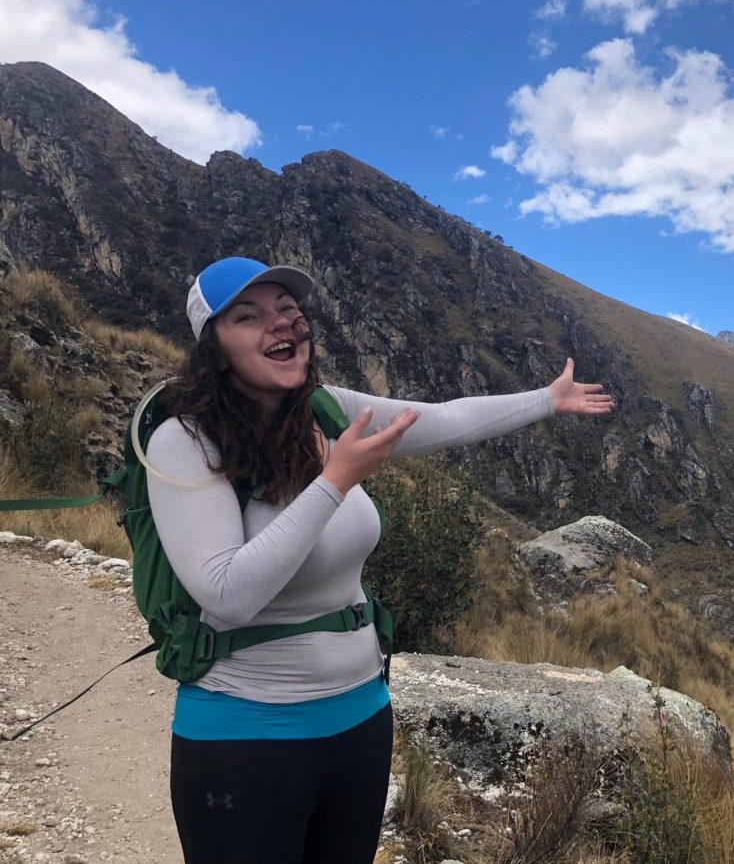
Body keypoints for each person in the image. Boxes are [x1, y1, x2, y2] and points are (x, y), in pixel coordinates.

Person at [146, 256, 614, 863]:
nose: (280, 324)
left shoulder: (327, 410)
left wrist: (547, 400)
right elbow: (228, 592)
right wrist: (334, 482)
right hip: (245, 736)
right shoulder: (185, 440)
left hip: (361, 720)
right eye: (249, 316)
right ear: (215, 344)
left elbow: (441, 418)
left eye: (288, 309)